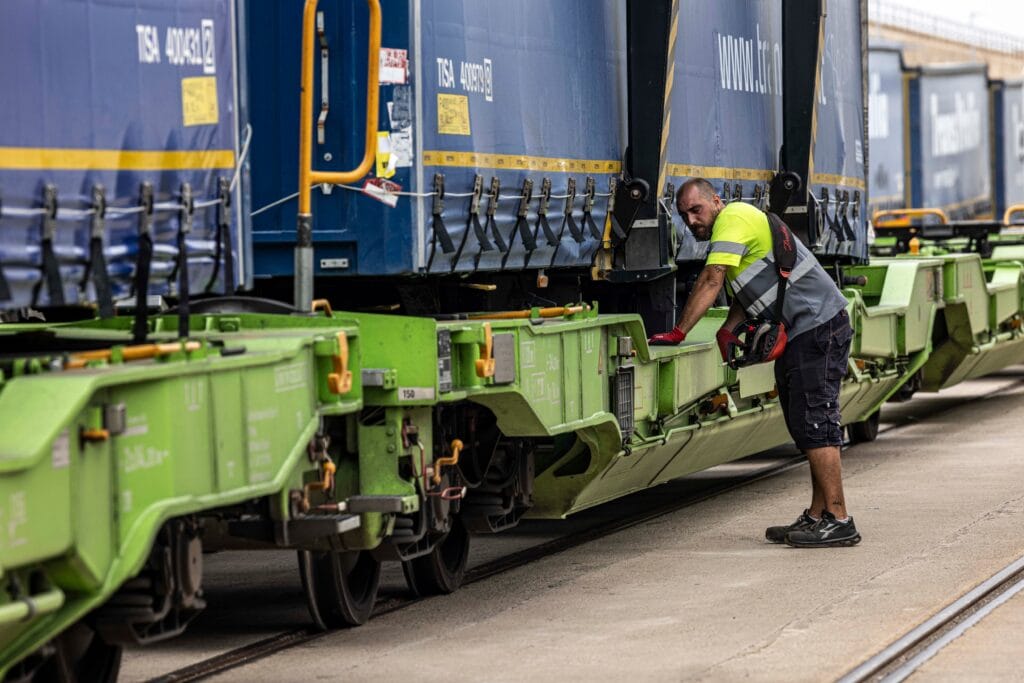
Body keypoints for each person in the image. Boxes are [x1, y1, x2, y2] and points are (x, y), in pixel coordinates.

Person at [648, 177, 859, 548]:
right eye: (683, 215)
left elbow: (712, 279)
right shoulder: (736, 228)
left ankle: (839, 519)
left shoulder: (733, 219)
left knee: (817, 420)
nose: (691, 220)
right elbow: (743, 293)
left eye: (696, 209)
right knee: (802, 422)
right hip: (803, 332)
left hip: (819, 326)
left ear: (716, 201)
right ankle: (817, 514)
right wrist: (728, 329)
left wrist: (679, 331)